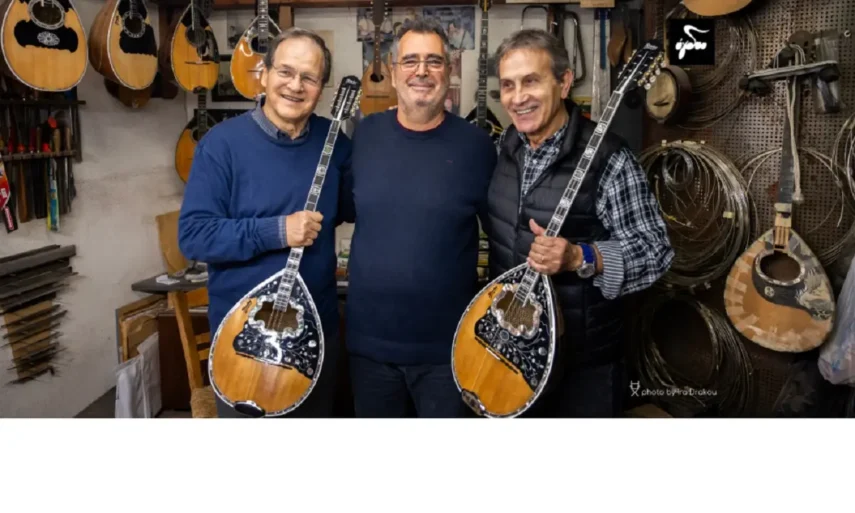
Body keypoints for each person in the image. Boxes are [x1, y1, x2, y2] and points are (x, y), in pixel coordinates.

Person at [487, 29, 674, 417]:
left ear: (564, 82)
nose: (517, 98)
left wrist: (580, 256)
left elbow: (656, 253)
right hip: (513, 352)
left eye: (531, 81)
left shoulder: (609, 158)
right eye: (508, 85)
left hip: (583, 366)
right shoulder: (505, 148)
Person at [177, 28, 351, 418]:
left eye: (309, 77)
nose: (295, 85)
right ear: (264, 74)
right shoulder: (221, 144)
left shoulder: (335, 142)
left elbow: (363, 205)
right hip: (244, 341)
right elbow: (194, 236)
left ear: (322, 87)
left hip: (313, 337)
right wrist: (277, 231)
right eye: (285, 72)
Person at [339, 17, 497, 417]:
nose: (421, 71)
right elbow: (340, 208)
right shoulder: (365, 136)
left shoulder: (478, 146)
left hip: (450, 349)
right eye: (410, 61)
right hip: (369, 349)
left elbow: (503, 236)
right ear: (393, 73)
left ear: (449, 71)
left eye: (434, 61)